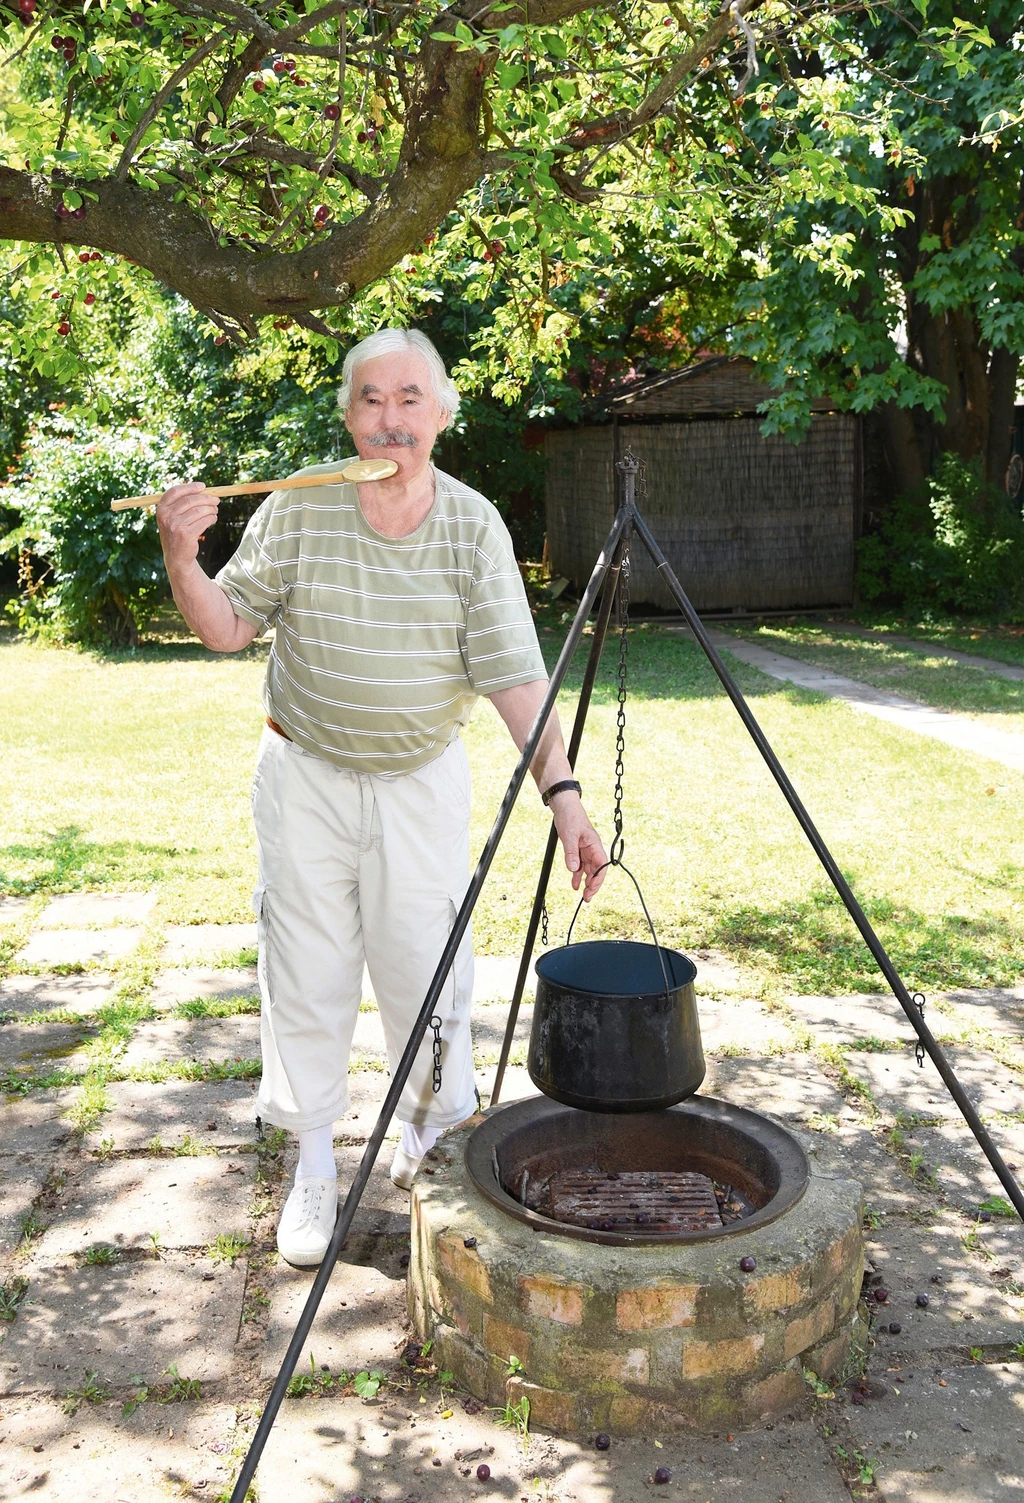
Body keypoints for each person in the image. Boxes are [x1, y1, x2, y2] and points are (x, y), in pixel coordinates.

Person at [155, 327, 607, 1268]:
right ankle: (314, 1165)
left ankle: (431, 1140)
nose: (389, 420)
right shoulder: (301, 504)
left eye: (409, 400)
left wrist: (564, 795)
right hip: (305, 775)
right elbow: (228, 628)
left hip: (419, 781)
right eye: (370, 400)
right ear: (348, 414)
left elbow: (516, 681)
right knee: (305, 969)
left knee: (428, 969)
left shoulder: (473, 524)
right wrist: (183, 557)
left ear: (441, 413)